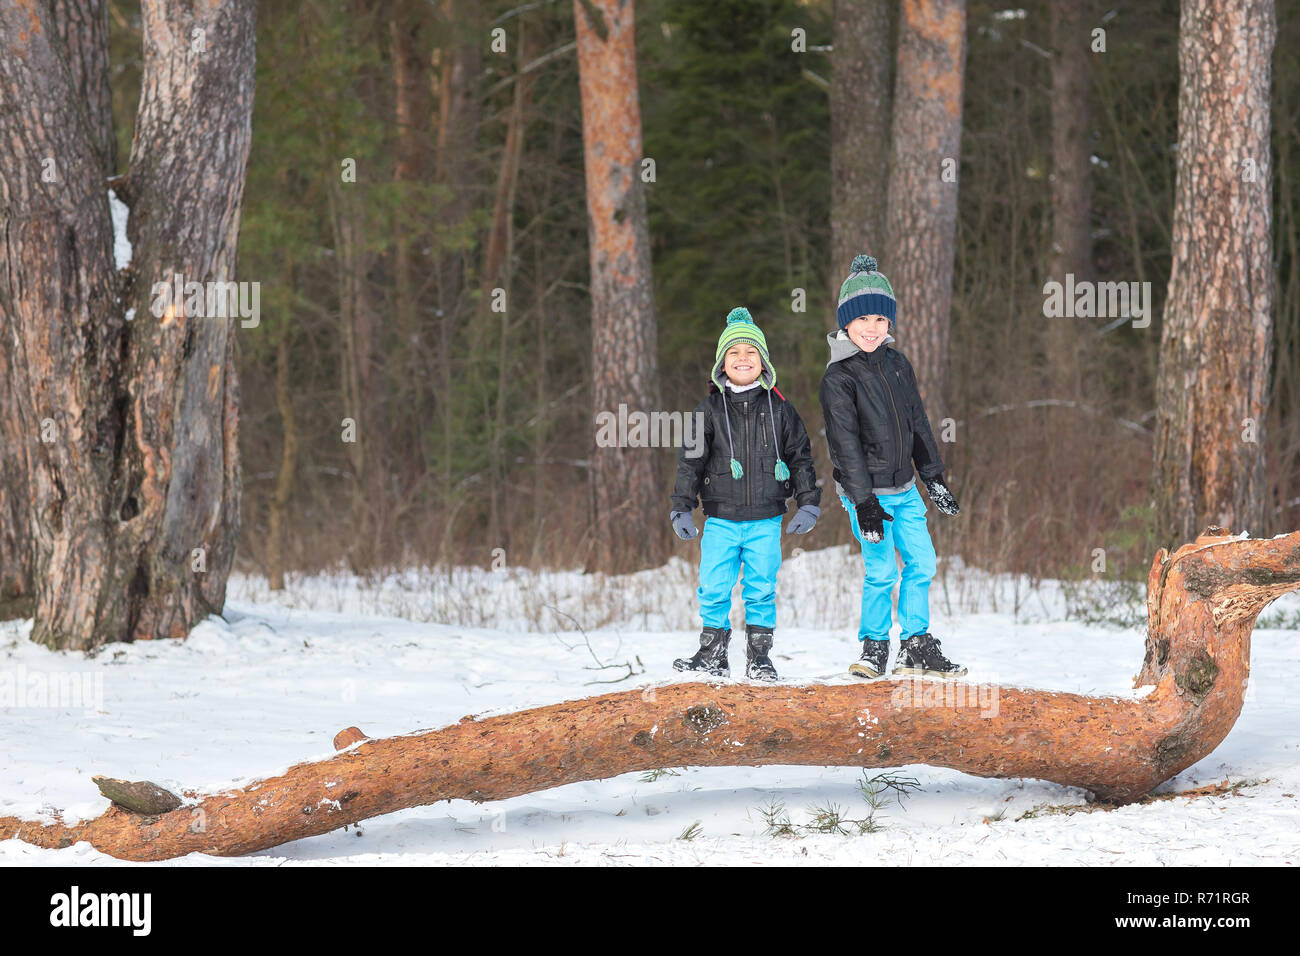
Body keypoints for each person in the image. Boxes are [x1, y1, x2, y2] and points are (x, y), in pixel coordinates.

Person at [819, 255, 965, 679]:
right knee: (881, 572)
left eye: (880, 318)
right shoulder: (838, 378)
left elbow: (917, 422)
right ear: (846, 322)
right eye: (862, 318)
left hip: (905, 490)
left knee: (923, 563)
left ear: (889, 323)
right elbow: (844, 446)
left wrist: (933, 477)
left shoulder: (898, 364)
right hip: (868, 498)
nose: (871, 327)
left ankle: (916, 645)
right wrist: (863, 502)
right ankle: (874, 647)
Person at [669, 307, 820, 680]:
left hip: (765, 520)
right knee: (714, 587)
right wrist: (681, 508)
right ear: (722, 364)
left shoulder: (782, 411)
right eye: (733, 352)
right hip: (720, 520)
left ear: (764, 362)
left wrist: (809, 502)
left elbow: (801, 457)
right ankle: (712, 654)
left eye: (750, 352)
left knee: (761, 589)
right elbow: (690, 463)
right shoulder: (706, 412)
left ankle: (759, 657)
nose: (742, 359)